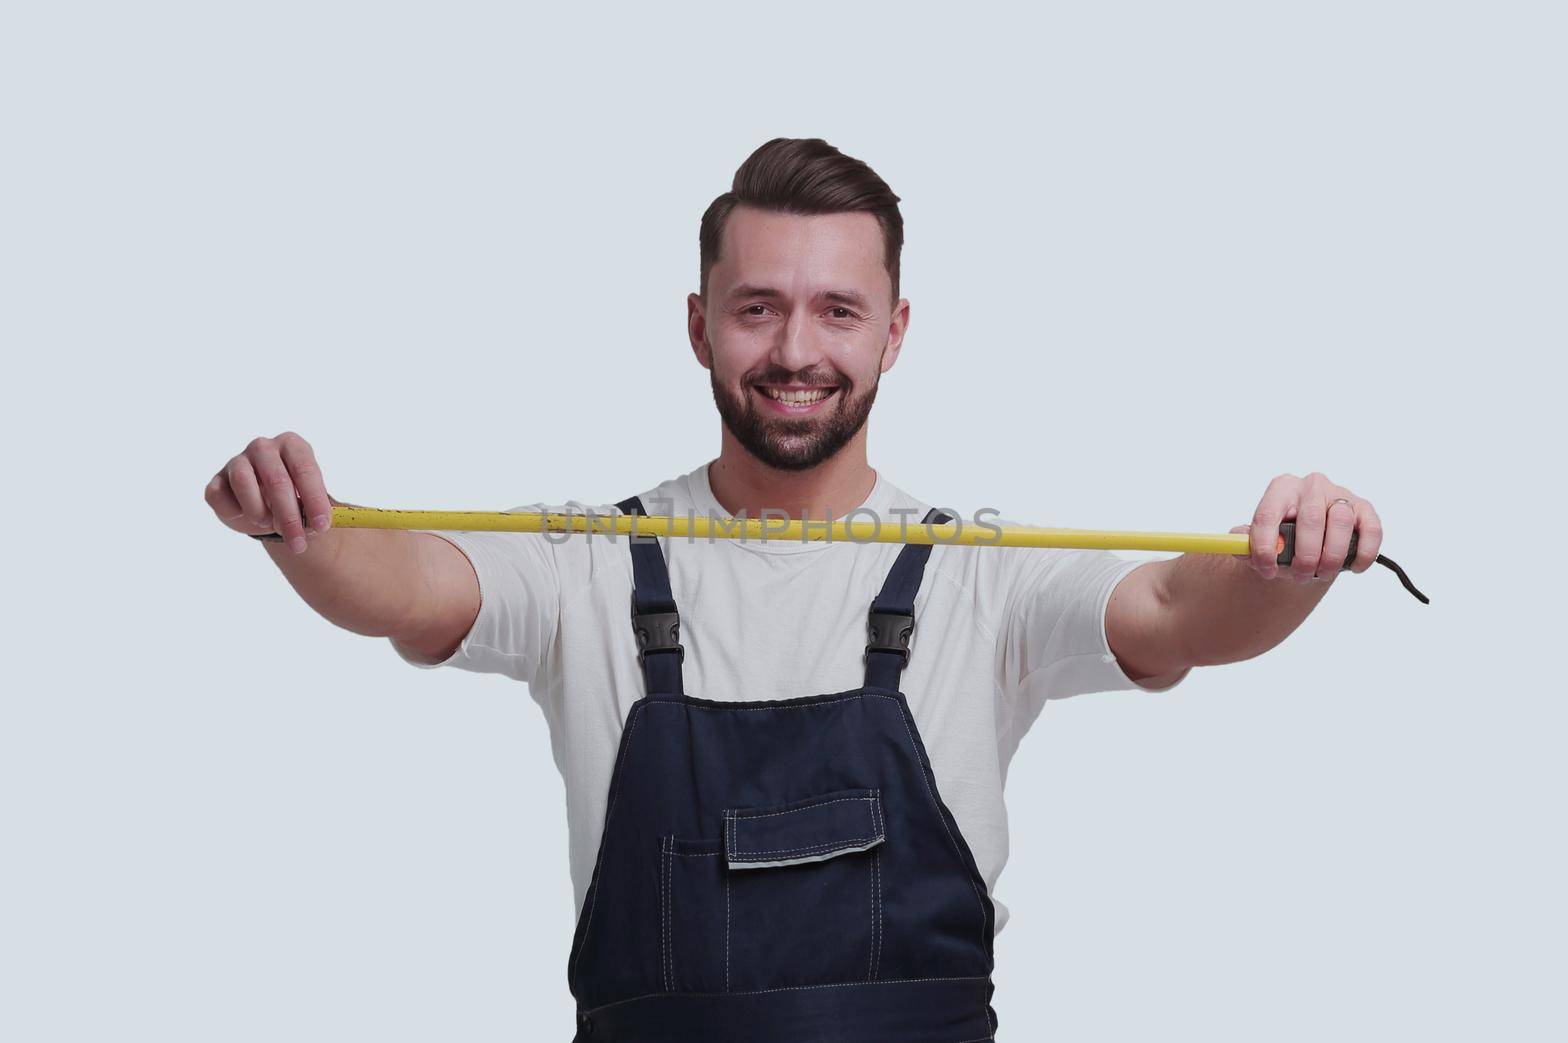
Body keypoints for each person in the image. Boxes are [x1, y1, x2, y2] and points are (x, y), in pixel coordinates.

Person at [204, 137, 1385, 1042]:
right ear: (699, 324)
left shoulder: (978, 572)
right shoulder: (587, 563)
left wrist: (1289, 565)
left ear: (894, 331)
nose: (794, 350)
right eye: (757, 306)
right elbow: (411, 581)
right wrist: (302, 530)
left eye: (837, 310)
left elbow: (1183, 611)